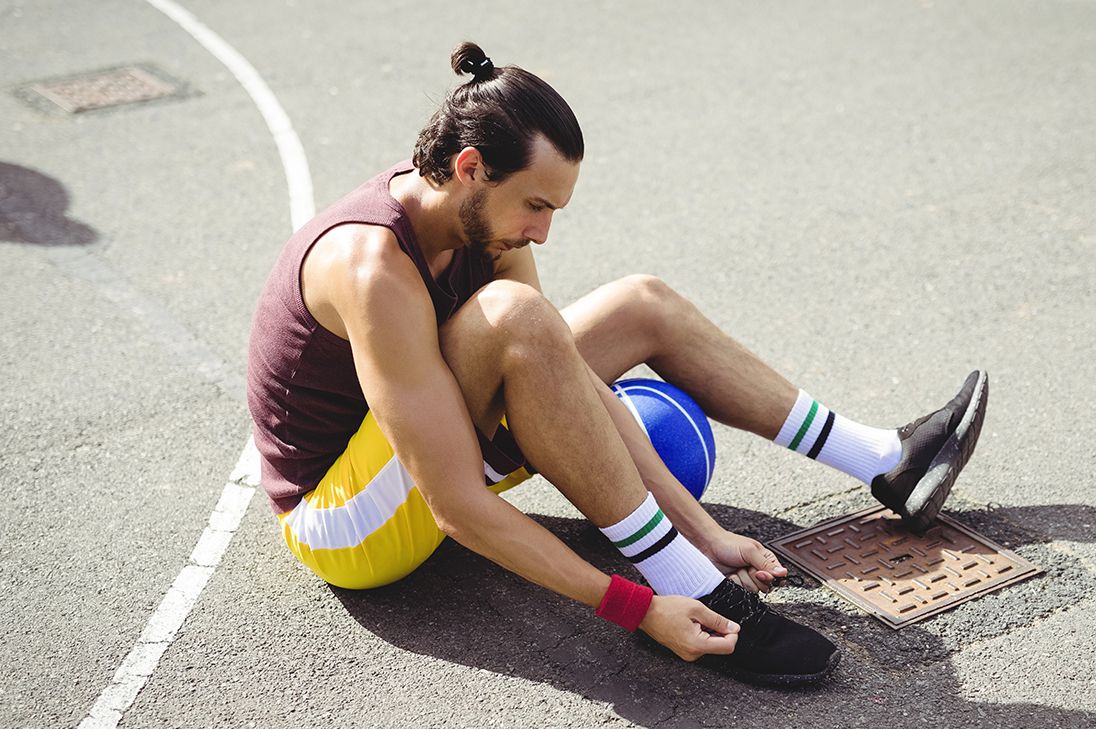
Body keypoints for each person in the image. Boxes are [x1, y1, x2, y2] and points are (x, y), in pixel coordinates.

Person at [246, 42, 988, 687]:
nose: (542, 230)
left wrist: (700, 527)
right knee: (518, 318)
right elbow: (455, 506)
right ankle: (686, 590)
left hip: (434, 444)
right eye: (535, 205)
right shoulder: (369, 266)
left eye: (554, 211)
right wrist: (637, 605)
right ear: (470, 167)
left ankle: (882, 460)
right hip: (346, 523)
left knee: (640, 303)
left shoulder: (482, 217)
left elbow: (565, 374)